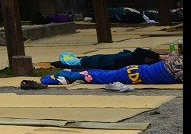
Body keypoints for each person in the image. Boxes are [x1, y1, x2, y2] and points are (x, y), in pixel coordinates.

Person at [40, 49, 183, 86]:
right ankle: (66, 75)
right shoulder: (176, 69)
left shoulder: (173, 66)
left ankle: (70, 73)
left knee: (100, 74)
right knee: (98, 76)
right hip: (133, 73)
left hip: (135, 71)